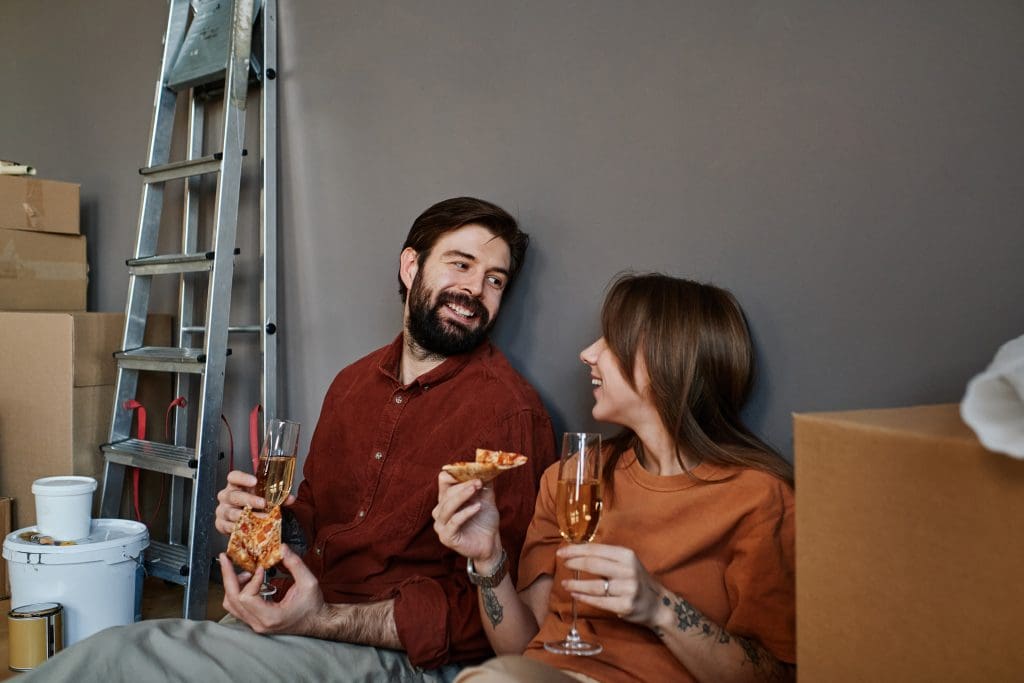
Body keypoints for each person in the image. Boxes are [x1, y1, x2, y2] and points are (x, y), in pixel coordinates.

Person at [24, 197, 557, 682]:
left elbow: (491, 616)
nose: (474, 290)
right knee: (114, 660)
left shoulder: (509, 414)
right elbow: (317, 526)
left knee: (121, 658)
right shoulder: (353, 383)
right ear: (411, 266)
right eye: (460, 264)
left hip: (397, 658)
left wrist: (325, 620)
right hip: (300, 619)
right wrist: (259, 525)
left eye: (495, 280)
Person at [433, 273, 795, 682]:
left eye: (612, 341)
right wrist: (487, 556)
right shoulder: (572, 478)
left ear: (668, 361)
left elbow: (773, 676)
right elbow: (522, 648)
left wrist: (660, 606)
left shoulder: (759, 498)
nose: (588, 353)